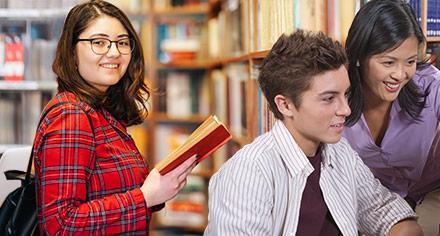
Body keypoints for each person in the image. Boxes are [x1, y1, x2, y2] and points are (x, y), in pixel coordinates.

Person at [204, 29, 422, 236]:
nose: (346, 109)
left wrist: (402, 228)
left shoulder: (340, 152)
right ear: (285, 105)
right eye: (328, 98)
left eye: (345, 94)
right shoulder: (249, 173)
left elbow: (387, 211)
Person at [32, 1, 196, 234]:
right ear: (71, 52)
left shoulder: (101, 110)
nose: (114, 52)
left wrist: (159, 189)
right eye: (99, 42)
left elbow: (109, 190)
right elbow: (61, 225)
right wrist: (144, 197)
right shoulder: (71, 115)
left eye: (122, 42)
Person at [343, 0, 440, 234]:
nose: (400, 74)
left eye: (410, 62)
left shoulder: (431, 86)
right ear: (359, 57)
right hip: (373, 205)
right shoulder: (337, 99)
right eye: (388, 62)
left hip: (431, 195)